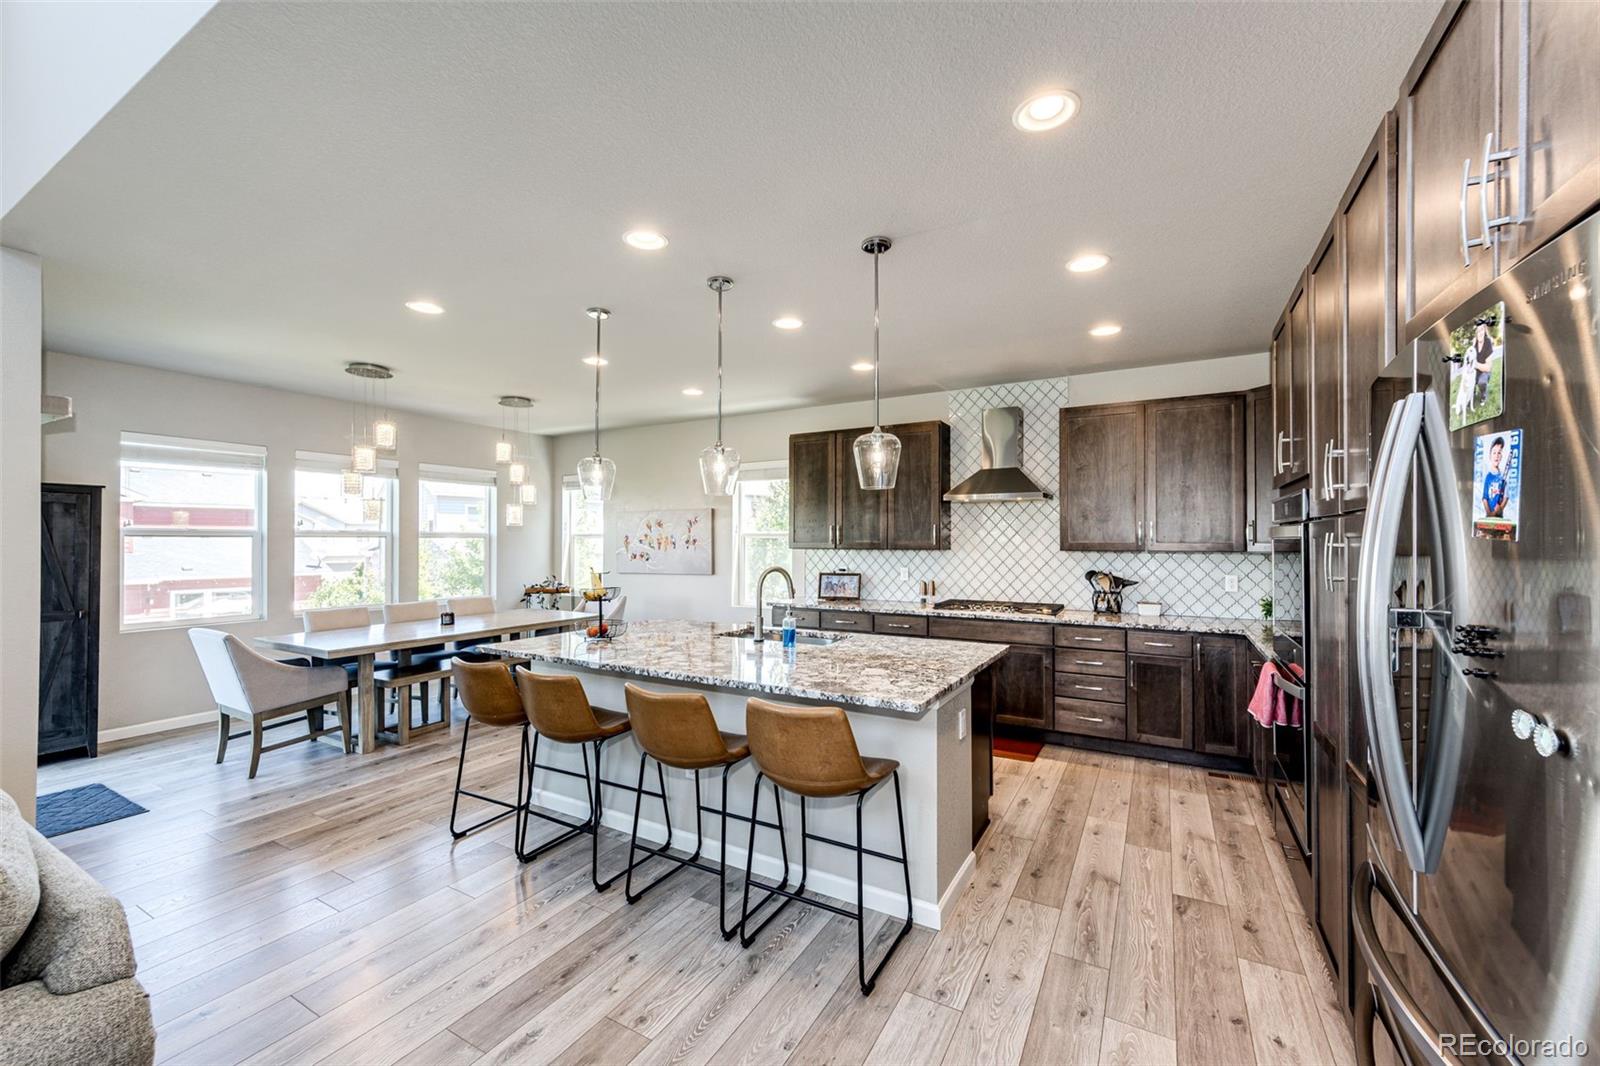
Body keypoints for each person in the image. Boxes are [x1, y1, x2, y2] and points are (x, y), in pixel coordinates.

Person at [1471, 318, 1496, 409]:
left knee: (1481, 382)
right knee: (1469, 380)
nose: (1480, 333)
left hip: (1485, 371)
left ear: (1485, 331)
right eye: (1478, 331)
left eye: (1481, 330)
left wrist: (1476, 364)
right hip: (1476, 371)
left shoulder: (1488, 342)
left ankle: (1483, 396)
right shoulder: (1474, 343)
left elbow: (1488, 367)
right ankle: (1472, 394)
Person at [1481, 436, 1508, 517]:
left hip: (1499, 516)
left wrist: (1500, 508)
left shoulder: (1504, 477)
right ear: (1490, 456)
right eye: (1494, 453)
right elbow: (1485, 498)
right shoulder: (1488, 477)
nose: (1496, 455)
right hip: (1489, 516)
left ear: (1501, 456)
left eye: (1499, 453)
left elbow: (1506, 497)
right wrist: (1489, 513)